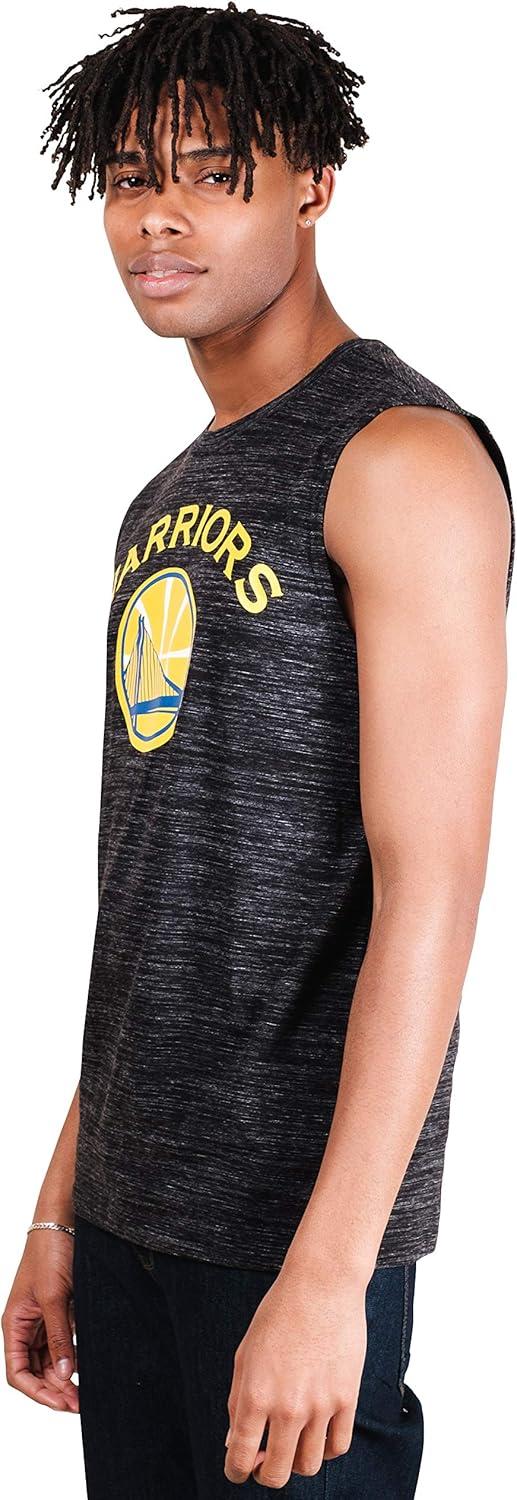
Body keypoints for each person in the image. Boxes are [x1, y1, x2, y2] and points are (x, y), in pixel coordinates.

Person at [2, 5, 514, 1497]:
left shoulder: (400, 457)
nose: (157, 215)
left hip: (288, 1238)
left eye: (211, 174)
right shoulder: (170, 493)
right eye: (127, 178)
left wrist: (329, 1275)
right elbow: (155, 898)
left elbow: (432, 887)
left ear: (313, 187)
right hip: (131, 1218)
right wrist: (60, 1208)